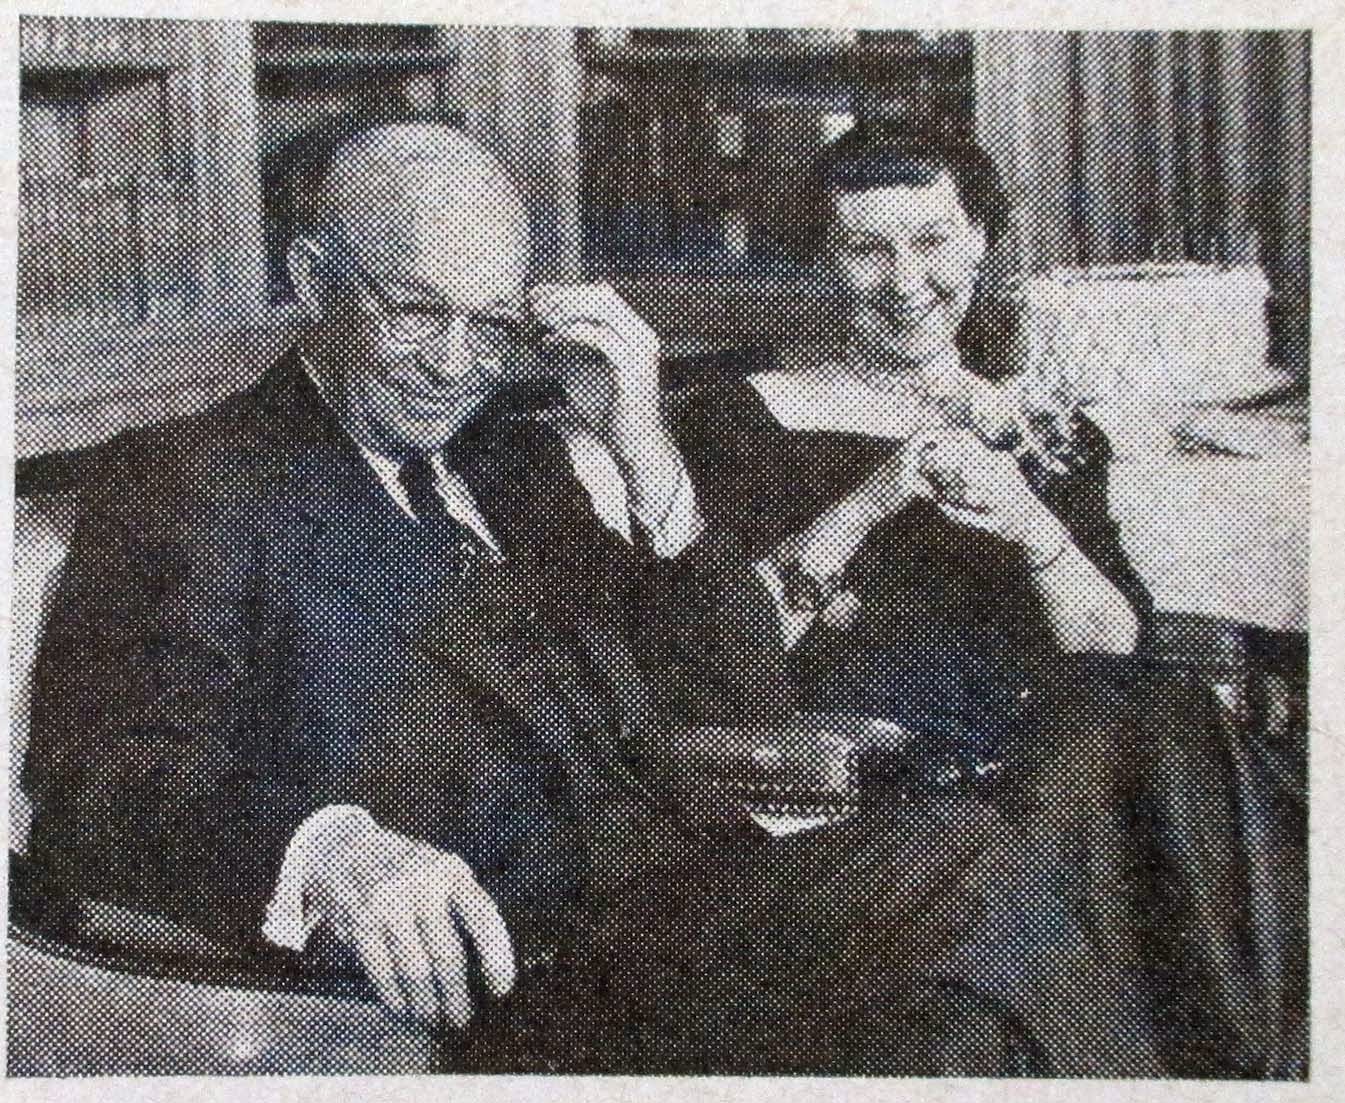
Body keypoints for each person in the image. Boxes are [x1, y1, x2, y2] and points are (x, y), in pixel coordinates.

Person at [22, 118, 1160, 1077]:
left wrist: (641, 444)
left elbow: (726, 693)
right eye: (414, 313)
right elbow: (98, 780)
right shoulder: (193, 477)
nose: (456, 365)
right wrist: (331, 850)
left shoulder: (508, 463)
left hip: (682, 902)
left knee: (967, 1012)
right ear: (314, 282)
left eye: (491, 324)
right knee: (969, 861)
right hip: (512, 977)